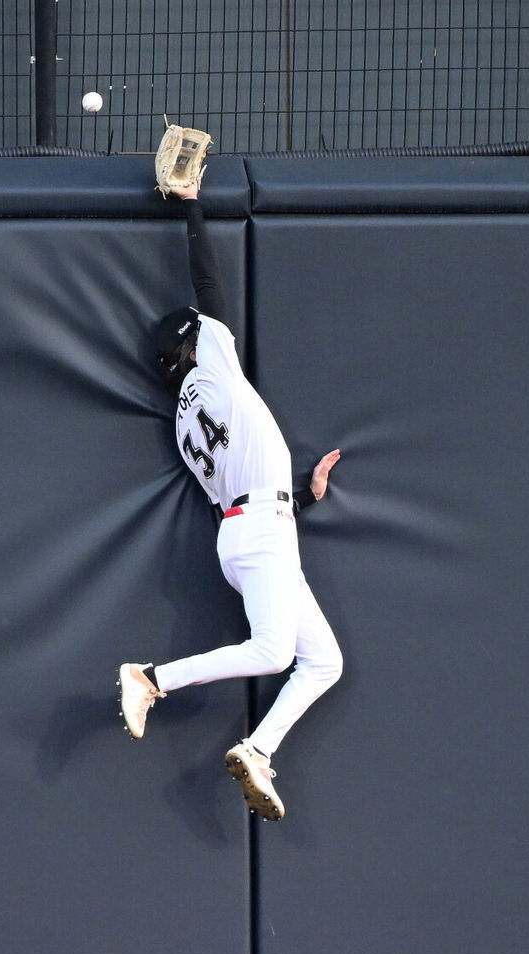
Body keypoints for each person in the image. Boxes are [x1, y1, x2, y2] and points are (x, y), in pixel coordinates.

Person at [119, 179, 343, 822]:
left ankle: (257, 748)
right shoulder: (211, 365)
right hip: (260, 531)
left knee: (323, 660)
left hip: (251, 526)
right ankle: (150, 678)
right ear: (193, 347)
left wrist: (304, 496)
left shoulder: (182, 425)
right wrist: (190, 204)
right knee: (276, 652)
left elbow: (247, 492)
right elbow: (209, 288)